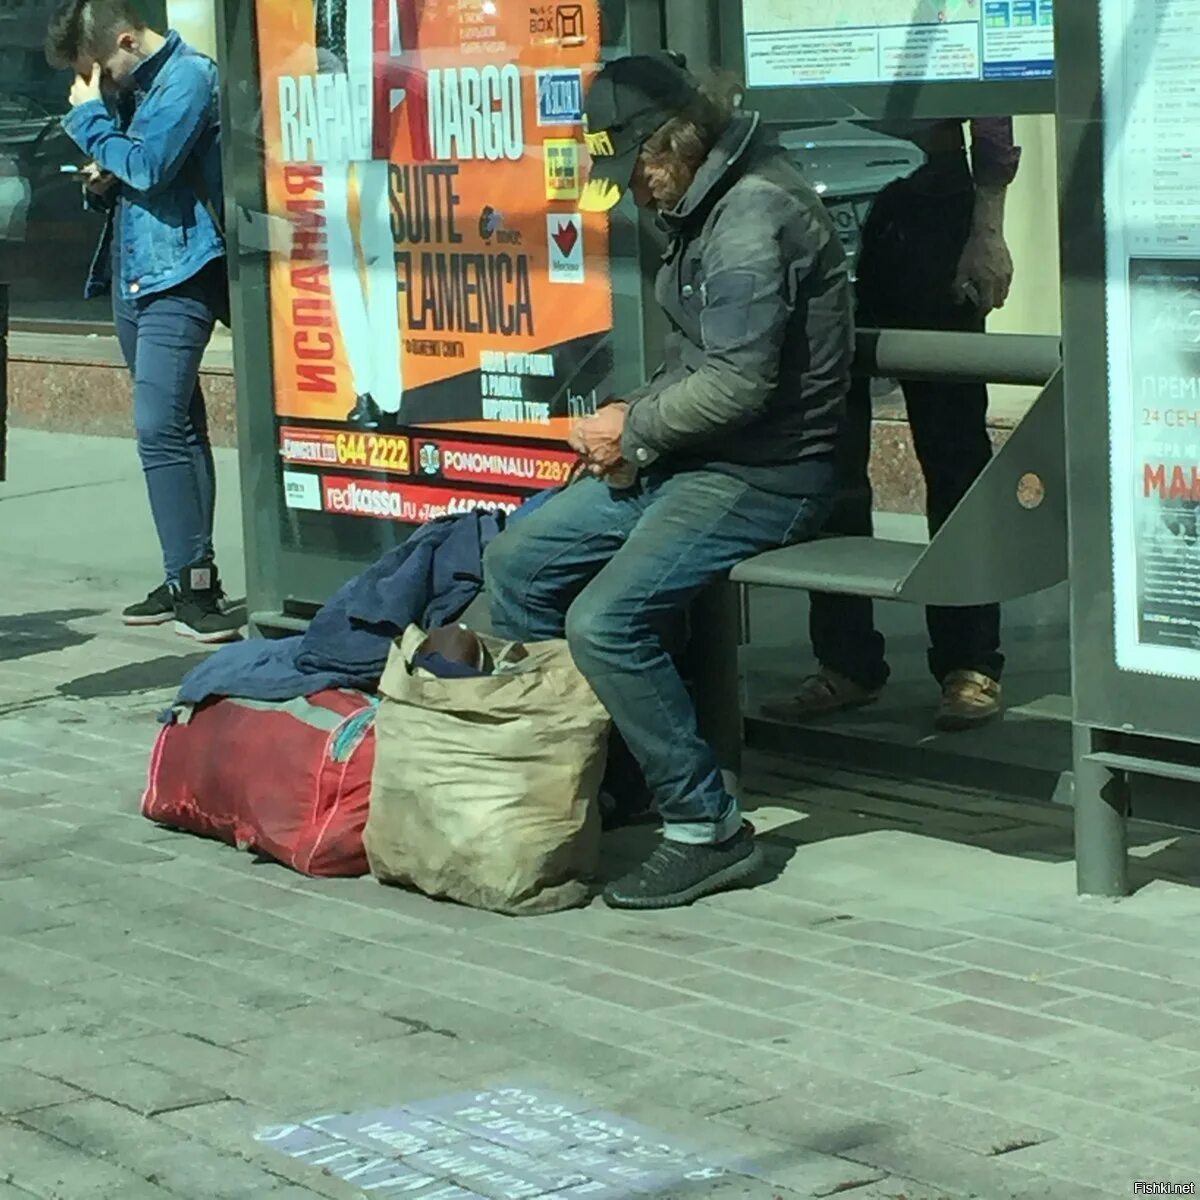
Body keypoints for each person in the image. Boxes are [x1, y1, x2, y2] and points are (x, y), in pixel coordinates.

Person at [484, 53, 853, 910]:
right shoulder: (707, 200)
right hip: (696, 457)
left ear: (674, 143)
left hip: (770, 473)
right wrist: (636, 424)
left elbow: (738, 383)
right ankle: (613, 779)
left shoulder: (752, 218)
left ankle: (706, 825)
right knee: (519, 563)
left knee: (605, 622)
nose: (634, 191)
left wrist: (635, 429)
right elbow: (701, 368)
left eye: (636, 168)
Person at [765, 116, 1021, 731]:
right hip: (802, 189)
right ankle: (846, 660)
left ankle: (969, 661)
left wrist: (986, 227)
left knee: (953, 449)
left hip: (927, 203)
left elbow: (992, 117)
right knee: (825, 449)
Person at [46, 0, 242, 642]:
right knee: (177, 424)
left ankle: (196, 587)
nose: (101, 85)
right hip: (134, 271)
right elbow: (134, 169)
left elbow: (150, 166)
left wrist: (92, 123)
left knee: (159, 427)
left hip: (180, 274)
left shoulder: (188, 76)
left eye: (102, 70)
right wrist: (100, 178)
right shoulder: (134, 89)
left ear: (127, 40)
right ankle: (185, 571)